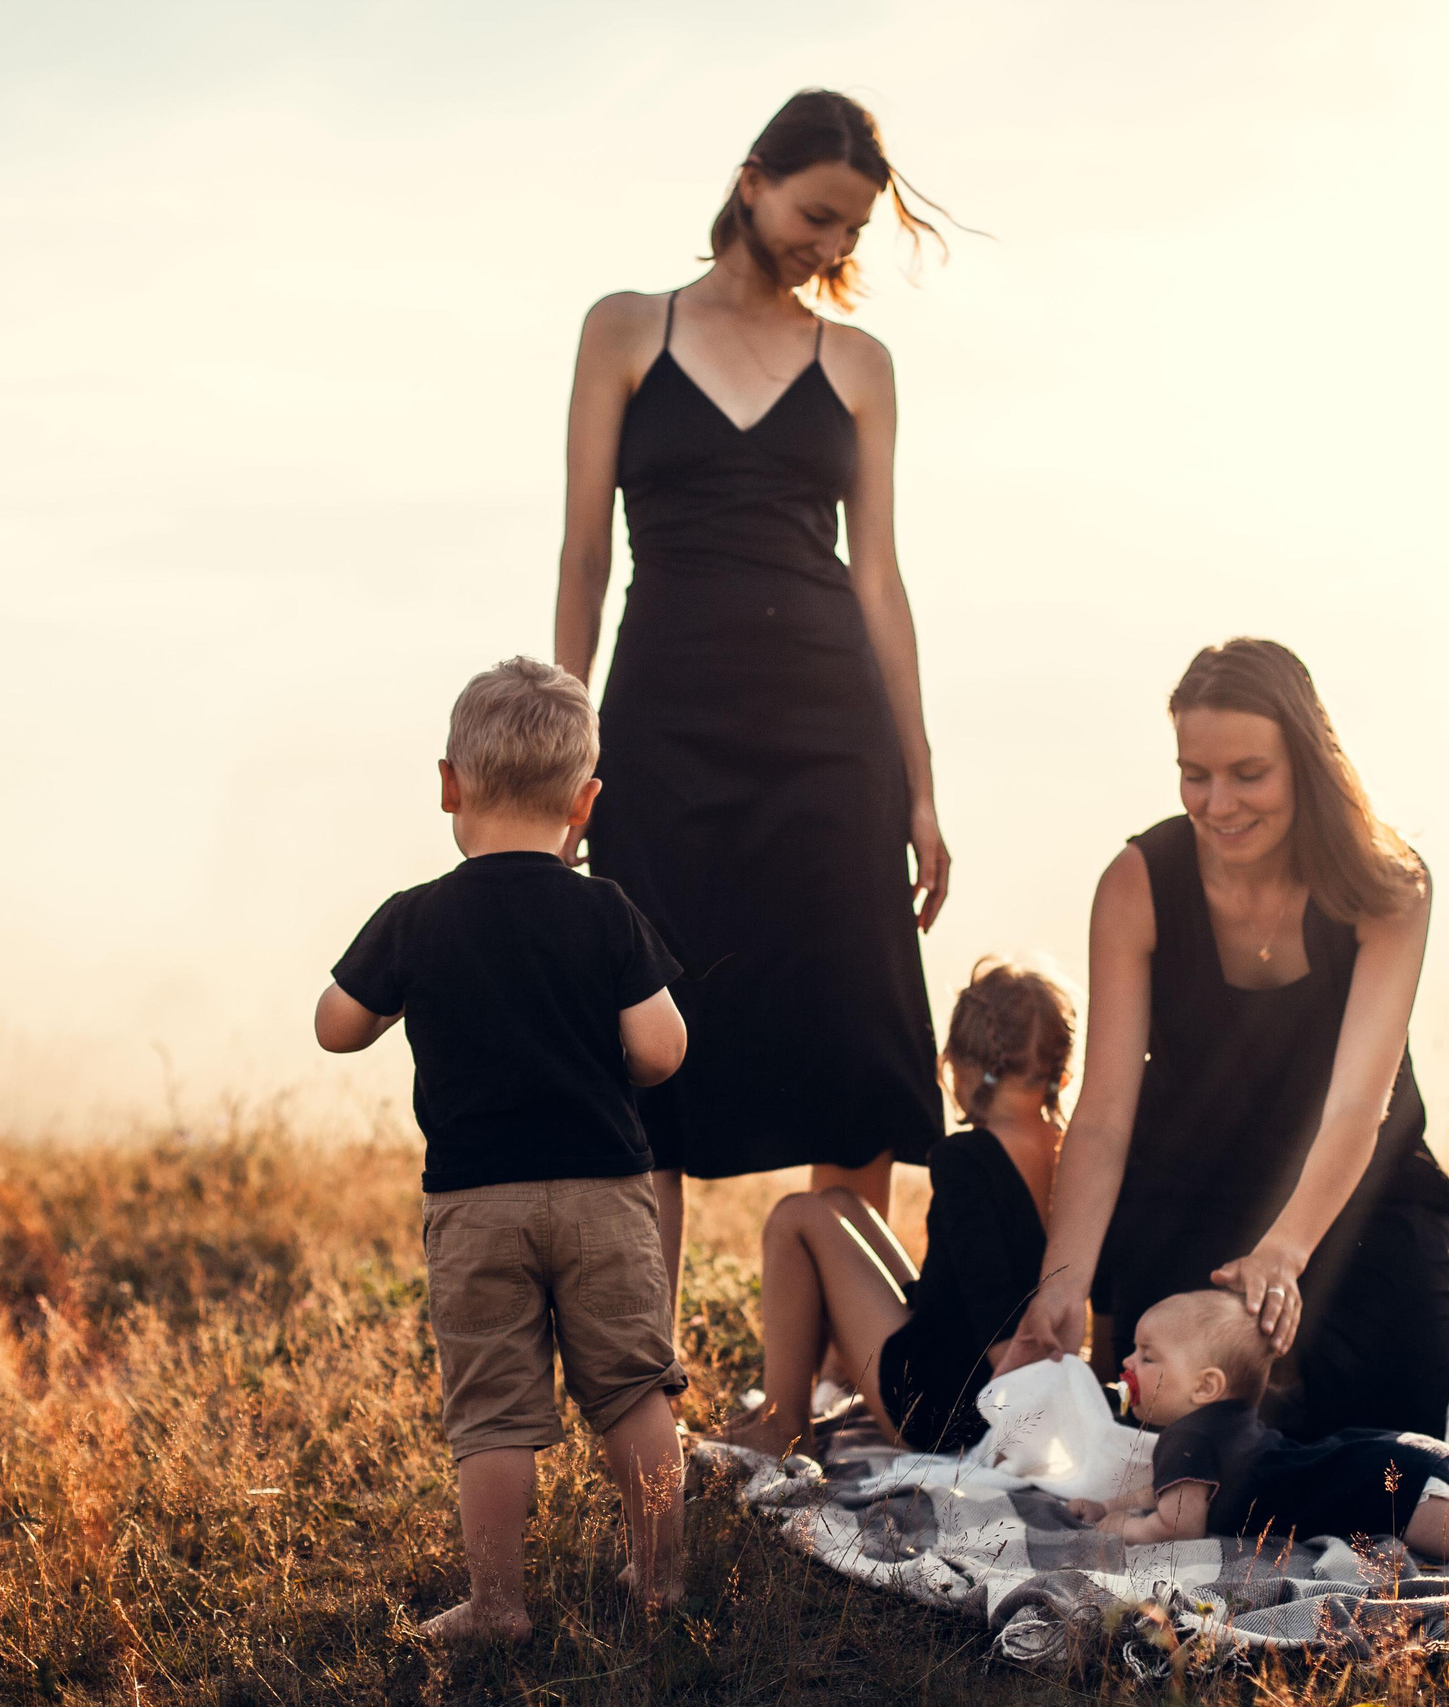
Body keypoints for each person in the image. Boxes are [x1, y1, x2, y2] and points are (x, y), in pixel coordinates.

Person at [553, 89, 961, 1284]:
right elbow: (584, 552)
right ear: (751, 179)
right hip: (662, 727)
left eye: (850, 233)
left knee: (851, 1042)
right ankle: (647, 1383)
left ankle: (851, 1377)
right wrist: (567, 753)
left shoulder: (860, 366)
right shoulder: (625, 330)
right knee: (650, 1044)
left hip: (833, 733)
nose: (830, 248)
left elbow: (879, 580)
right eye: (818, 215)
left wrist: (922, 788)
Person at [314, 657, 691, 1641]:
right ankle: (659, 1586)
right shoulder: (602, 908)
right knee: (633, 1392)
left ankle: (496, 1604)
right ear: (585, 800)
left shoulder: (416, 917)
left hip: (476, 1205)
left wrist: (395, 986)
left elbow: (334, 1026)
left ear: (449, 784)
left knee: (493, 1414)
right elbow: (661, 1048)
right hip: (605, 1194)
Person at [1001, 638, 1449, 1442]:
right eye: (1194, 774)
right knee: (1167, 1435)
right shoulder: (1135, 884)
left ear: (1307, 764)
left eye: (1248, 774)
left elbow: (1359, 1103)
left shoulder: (1389, 886)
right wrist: (1062, 1280)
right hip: (1187, 1192)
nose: (1217, 803)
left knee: (1384, 1448)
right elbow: (1105, 1111)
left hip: (1350, 1194)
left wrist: (1283, 1252)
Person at [717, 961, 1071, 1460]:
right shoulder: (1069, 1154)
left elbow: (995, 1315)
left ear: (962, 1066)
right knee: (842, 1203)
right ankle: (816, 1388)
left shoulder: (965, 1159)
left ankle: (784, 1422)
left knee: (796, 1215)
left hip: (943, 1405)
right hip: (996, 1382)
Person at [1070, 1291, 1449, 1557]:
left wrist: (1119, 1531)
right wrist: (1107, 1505)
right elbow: (1169, 1492)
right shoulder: (1224, 1427)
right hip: (1399, 1457)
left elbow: (1177, 1524)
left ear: (1206, 1387)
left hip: (1382, 1482)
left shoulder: (1187, 1436)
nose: (1126, 1366)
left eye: (1147, 1356)